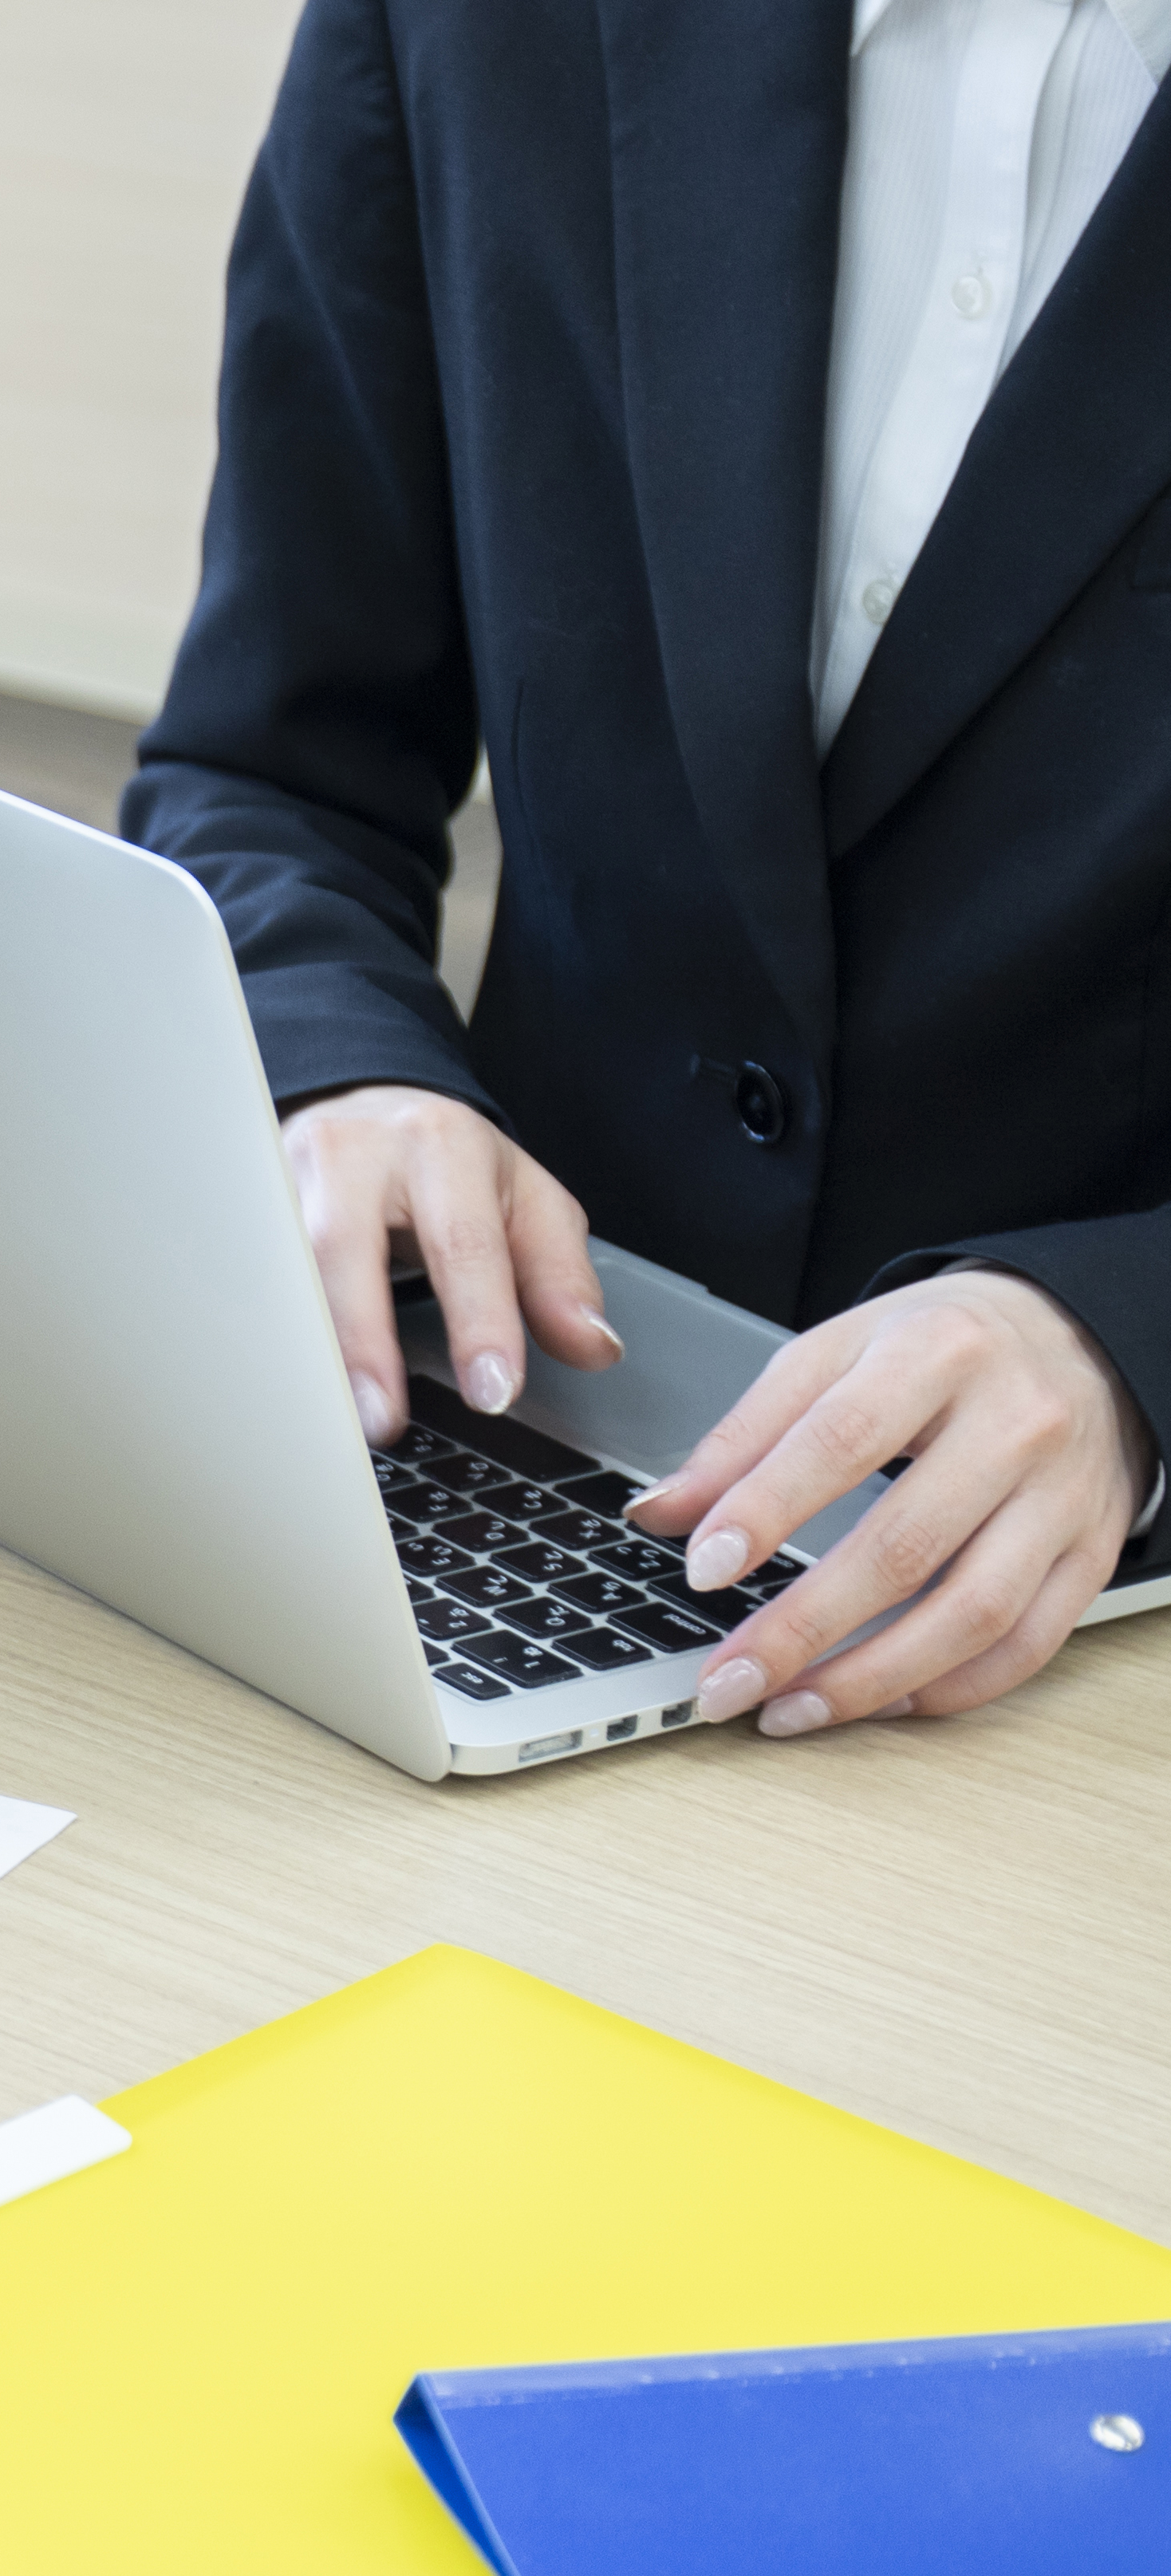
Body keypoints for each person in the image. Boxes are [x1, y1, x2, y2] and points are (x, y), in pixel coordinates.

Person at [127, 0, 1171, 1738]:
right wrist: (341, 1060)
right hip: (494, 1478)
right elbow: (265, 764)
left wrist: (1132, 1341)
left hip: (1085, 1674)